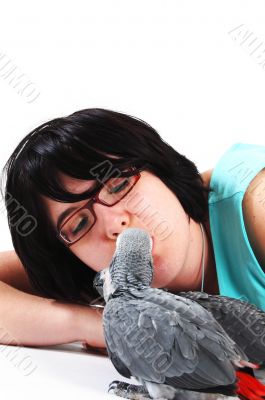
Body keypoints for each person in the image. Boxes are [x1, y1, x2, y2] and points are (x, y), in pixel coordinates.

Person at [0, 108, 264, 352]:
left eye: (119, 185)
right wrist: (100, 325)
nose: (115, 224)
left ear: (161, 168)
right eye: (79, 223)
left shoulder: (255, 205)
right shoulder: (108, 276)